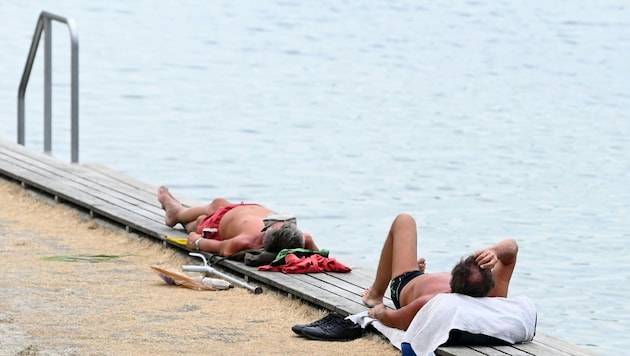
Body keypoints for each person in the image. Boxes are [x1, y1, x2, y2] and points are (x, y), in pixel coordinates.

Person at [363, 213, 518, 331]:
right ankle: (421, 274)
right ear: (489, 284)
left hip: (407, 282)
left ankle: (374, 295)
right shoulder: (495, 297)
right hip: (422, 283)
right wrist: (494, 251)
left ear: (452, 282)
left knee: (404, 220)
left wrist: (379, 312)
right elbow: (512, 248)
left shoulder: (431, 303)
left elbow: (393, 319)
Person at [157, 186, 318, 257]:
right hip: (239, 210)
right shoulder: (302, 238)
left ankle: (177, 214)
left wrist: (196, 240)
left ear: (265, 234)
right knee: (218, 203)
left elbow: (211, 245)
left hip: (217, 225)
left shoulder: (244, 241)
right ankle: (178, 212)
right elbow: (316, 249)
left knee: (201, 221)